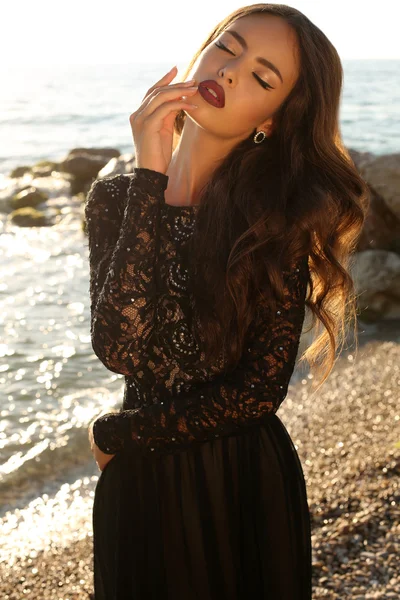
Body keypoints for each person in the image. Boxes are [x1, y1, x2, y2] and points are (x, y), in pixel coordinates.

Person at [85, 3, 369, 599]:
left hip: (235, 484)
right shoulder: (116, 200)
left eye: (264, 78)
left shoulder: (274, 220)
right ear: (202, 51)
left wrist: (119, 433)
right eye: (228, 47)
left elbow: (256, 392)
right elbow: (118, 347)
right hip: (136, 490)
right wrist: (150, 179)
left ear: (274, 117)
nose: (234, 72)